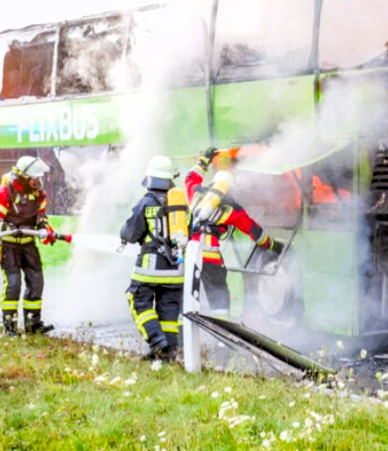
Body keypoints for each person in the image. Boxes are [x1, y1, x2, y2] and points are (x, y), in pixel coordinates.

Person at [185, 147, 283, 317]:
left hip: (189, 254)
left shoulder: (196, 194)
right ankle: (220, 336)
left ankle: (185, 337)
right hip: (210, 257)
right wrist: (273, 245)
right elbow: (255, 232)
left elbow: (190, 178)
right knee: (219, 296)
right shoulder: (233, 209)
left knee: (188, 296)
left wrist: (204, 160)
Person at [120, 156, 185, 361]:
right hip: (176, 270)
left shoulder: (146, 202)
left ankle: (157, 341)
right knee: (169, 312)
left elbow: (131, 233)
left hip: (149, 269)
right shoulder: (181, 207)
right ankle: (168, 353)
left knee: (138, 301)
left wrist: (123, 234)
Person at [0, 155, 56, 336]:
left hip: (28, 245)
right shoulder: (7, 192)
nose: (38, 181)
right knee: (13, 284)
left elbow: (41, 216)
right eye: (35, 178)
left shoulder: (38, 194)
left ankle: (33, 323)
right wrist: (8, 228)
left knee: (36, 282)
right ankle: (9, 326)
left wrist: (44, 228)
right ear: (24, 177)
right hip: (9, 246)